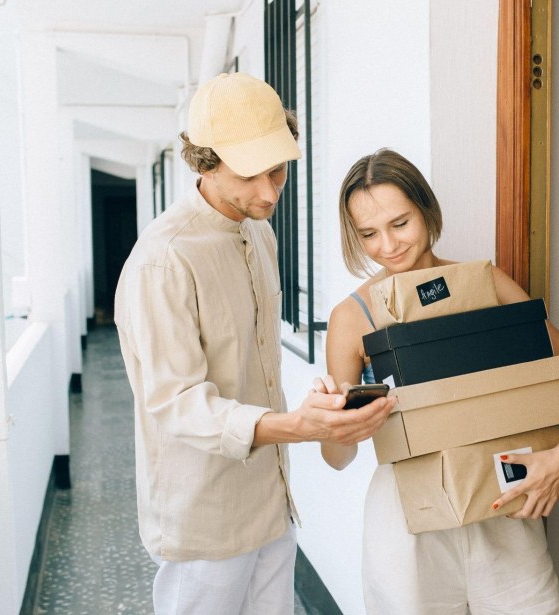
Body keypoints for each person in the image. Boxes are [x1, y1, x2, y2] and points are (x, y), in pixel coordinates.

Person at [114, 73, 394, 615]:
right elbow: (175, 404)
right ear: (205, 161)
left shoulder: (257, 230)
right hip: (205, 521)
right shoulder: (163, 261)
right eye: (249, 174)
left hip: (272, 502)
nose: (269, 192)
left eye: (278, 170)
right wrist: (300, 427)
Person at [322, 148, 559, 614]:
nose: (387, 246)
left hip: (499, 502)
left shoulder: (484, 285)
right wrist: (337, 421)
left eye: (400, 223)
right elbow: (336, 458)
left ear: (427, 210)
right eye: (368, 234)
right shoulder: (352, 318)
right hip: (407, 523)